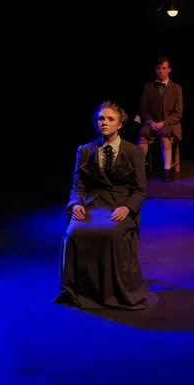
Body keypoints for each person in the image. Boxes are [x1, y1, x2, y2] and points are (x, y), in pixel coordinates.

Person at [55, 101, 152, 310]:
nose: (104, 123)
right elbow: (78, 185)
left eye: (110, 119)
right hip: (93, 205)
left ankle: (112, 290)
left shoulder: (133, 151)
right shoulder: (85, 150)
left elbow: (140, 191)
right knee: (74, 233)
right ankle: (78, 290)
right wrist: (75, 204)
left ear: (119, 125)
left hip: (119, 205)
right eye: (101, 118)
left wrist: (127, 208)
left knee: (111, 233)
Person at [138, 57, 183, 181]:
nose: (161, 71)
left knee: (164, 134)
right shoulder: (148, 87)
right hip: (152, 122)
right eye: (158, 68)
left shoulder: (176, 88)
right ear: (155, 70)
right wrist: (150, 121)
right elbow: (144, 109)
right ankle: (139, 169)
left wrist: (163, 122)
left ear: (169, 70)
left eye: (164, 68)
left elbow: (178, 113)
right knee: (142, 134)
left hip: (170, 123)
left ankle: (167, 169)